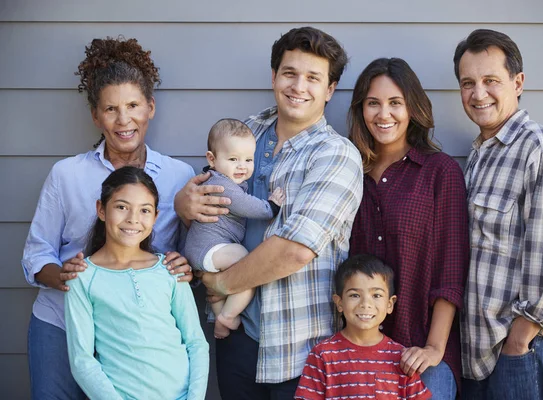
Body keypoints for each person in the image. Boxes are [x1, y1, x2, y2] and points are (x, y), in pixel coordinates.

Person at [175, 27, 363, 399]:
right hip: (237, 335)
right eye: (290, 73)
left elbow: (294, 250)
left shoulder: (336, 155)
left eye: (313, 78)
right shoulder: (245, 132)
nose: (299, 86)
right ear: (274, 76)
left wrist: (221, 285)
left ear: (330, 89)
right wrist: (185, 203)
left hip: (299, 346)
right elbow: (208, 202)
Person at [21, 36, 197, 399]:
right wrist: (68, 277)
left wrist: (186, 264)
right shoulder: (67, 175)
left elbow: (186, 254)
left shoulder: (179, 177)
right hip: (61, 322)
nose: (123, 120)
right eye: (110, 109)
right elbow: (36, 256)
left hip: (136, 337)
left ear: (150, 107)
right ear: (95, 115)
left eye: (133, 105)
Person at [453, 29, 543, 399]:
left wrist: (518, 343)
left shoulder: (540, 148)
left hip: (520, 349)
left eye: (491, 80)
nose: (478, 94)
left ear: (517, 82)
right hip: (479, 354)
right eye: (467, 83)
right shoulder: (479, 154)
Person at [347, 58, 469, 399]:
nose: (384, 114)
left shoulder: (439, 172)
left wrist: (433, 347)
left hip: (420, 353)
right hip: (358, 351)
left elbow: (451, 268)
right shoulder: (346, 171)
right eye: (373, 103)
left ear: (412, 108)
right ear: (361, 110)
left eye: (395, 103)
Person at [65, 167, 209, 399]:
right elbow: (82, 361)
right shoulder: (83, 276)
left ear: (155, 217)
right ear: (101, 210)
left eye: (144, 210)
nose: (133, 219)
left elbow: (196, 343)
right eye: (121, 207)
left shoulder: (169, 269)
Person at [184, 118, 285, 339]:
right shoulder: (222, 186)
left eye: (248, 159)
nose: (242, 166)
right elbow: (243, 204)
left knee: (222, 288)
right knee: (246, 266)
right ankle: (229, 315)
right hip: (209, 248)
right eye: (233, 159)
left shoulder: (218, 179)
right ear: (212, 159)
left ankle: (221, 320)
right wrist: (271, 207)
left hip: (205, 250)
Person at [295, 254, 431, 400]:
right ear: (339, 302)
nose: (365, 304)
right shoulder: (323, 355)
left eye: (376, 295)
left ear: (390, 304)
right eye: (355, 295)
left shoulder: (402, 358)